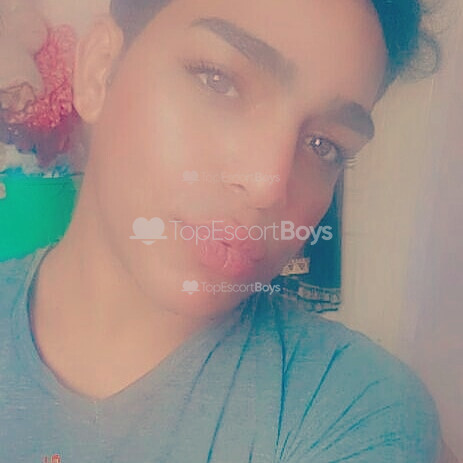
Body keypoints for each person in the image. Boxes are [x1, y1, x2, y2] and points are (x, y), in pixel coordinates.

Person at [0, 0, 445, 461]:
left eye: (323, 144)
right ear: (99, 72)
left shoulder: (355, 409)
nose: (268, 186)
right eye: (220, 81)